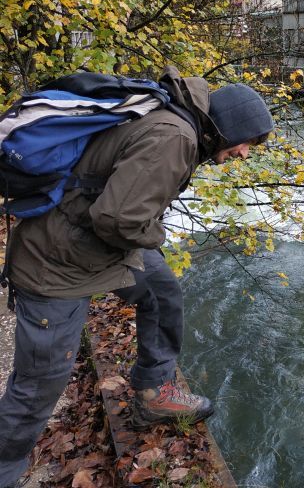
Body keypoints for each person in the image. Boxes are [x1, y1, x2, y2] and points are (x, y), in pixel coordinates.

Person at [0, 66, 275, 486]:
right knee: (37, 388)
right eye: (246, 144)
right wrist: (159, 231)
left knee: (162, 293)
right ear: (229, 128)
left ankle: (155, 392)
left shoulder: (175, 121)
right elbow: (117, 219)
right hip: (56, 264)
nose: (244, 154)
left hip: (92, 247)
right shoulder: (176, 137)